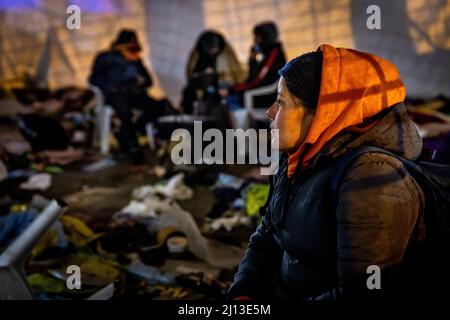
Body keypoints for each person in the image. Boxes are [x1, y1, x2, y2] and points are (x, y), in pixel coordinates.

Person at [228, 44, 427, 300]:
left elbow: (362, 295)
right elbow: (268, 232)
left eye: (280, 102)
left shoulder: (373, 178)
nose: (270, 112)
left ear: (323, 114)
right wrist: (244, 290)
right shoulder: (298, 158)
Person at [89, 29, 174, 164]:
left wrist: (142, 81)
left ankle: (136, 130)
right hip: (117, 95)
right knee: (125, 114)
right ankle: (133, 149)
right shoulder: (105, 58)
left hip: (135, 94)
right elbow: (94, 79)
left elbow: (148, 81)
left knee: (163, 106)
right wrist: (112, 87)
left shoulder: (135, 59)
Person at [181, 30, 244, 115]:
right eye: (209, 51)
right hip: (201, 88)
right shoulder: (198, 55)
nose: (211, 54)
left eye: (213, 50)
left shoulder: (227, 54)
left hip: (225, 89)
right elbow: (192, 74)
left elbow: (235, 76)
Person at [227, 21, 286, 110]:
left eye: (256, 37)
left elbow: (258, 79)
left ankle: (242, 124)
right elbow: (253, 75)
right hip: (257, 90)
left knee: (228, 101)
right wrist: (252, 59)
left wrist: (232, 89)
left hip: (265, 95)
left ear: (264, 37)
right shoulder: (265, 52)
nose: (254, 40)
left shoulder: (274, 53)